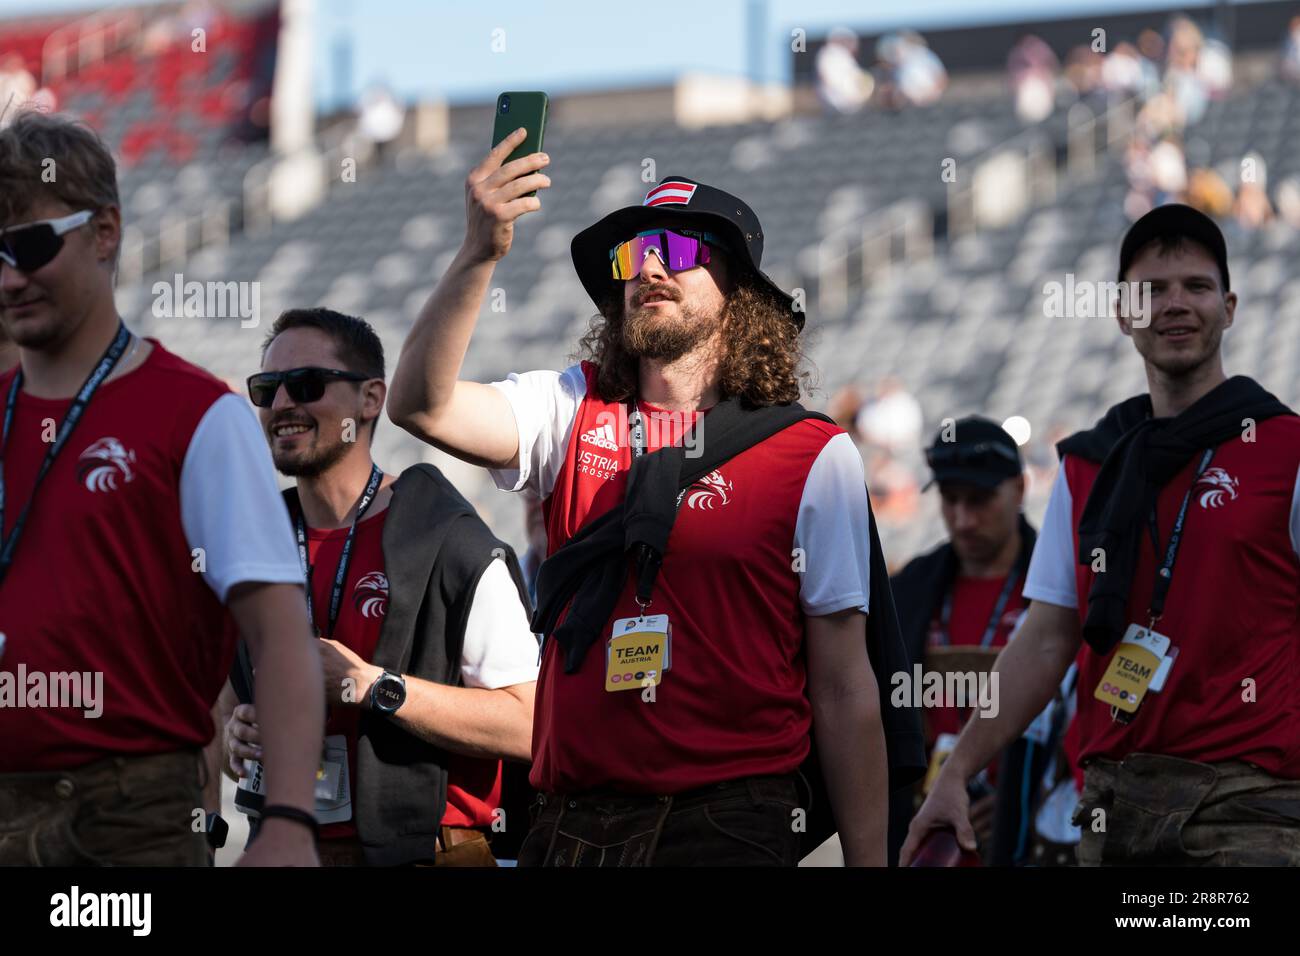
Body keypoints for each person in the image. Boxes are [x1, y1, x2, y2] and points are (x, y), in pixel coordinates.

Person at [388, 130, 924, 866]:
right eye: (632, 256)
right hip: (572, 823)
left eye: (676, 250)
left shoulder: (811, 453)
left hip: (730, 822)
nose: (647, 268)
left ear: (739, 295)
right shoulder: (572, 406)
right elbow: (421, 406)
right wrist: (480, 252)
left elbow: (841, 685)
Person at [902, 204, 1300, 867]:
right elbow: (1050, 632)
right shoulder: (1089, 463)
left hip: (1249, 812)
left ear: (1229, 307)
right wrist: (954, 769)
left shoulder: (1286, 450)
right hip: (1113, 810)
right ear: (1123, 314)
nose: (1175, 304)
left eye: (1197, 287)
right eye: (1152, 290)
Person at [0, 110, 323, 866]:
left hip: (129, 818)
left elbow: (278, 631)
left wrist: (288, 821)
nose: (10, 276)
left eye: (32, 244)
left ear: (106, 232)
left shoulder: (196, 415)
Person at [222, 307, 540, 866]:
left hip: (431, 855)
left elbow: (530, 724)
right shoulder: (249, 547)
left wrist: (373, 687)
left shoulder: (448, 539)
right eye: (266, 389)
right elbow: (226, 718)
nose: (282, 405)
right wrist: (236, 738)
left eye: (306, 384)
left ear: (371, 400)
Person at [888, 417, 1040, 865]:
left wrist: (1025, 798)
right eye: (950, 500)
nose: (962, 519)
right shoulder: (909, 589)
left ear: (1019, 488)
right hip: (926, 835)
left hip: (1029, 840)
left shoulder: (1060, 589)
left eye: (979, 500)